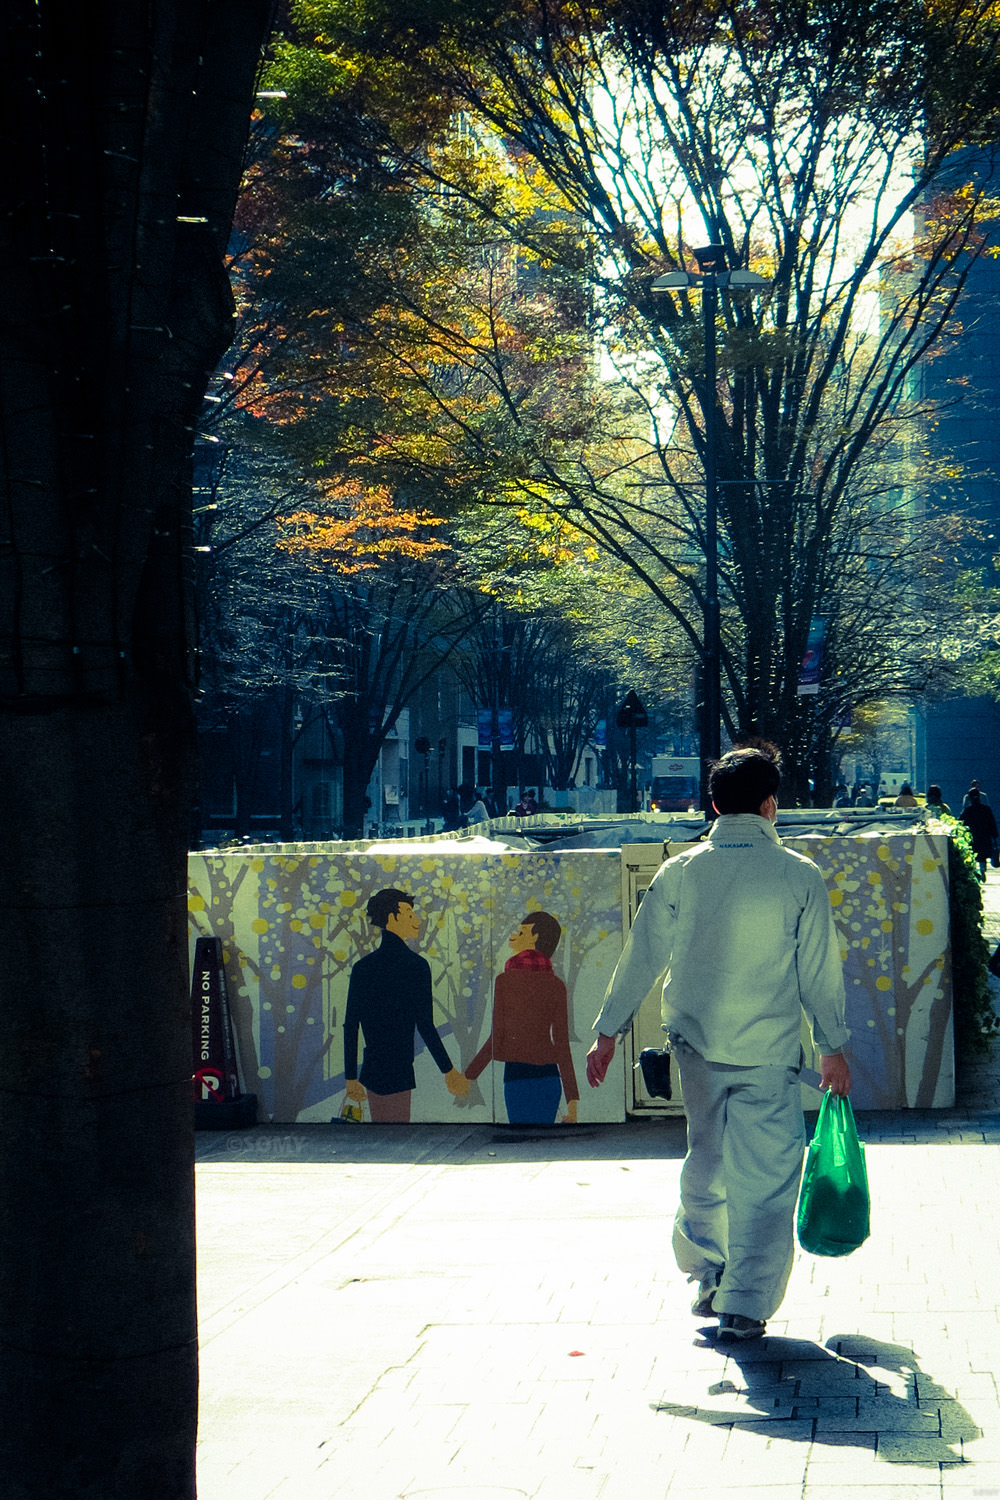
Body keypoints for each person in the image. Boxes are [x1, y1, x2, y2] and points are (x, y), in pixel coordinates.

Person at [586, 744, 850, 1344]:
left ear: (712, 804)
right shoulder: (799, 875)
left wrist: (607, 1032)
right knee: (767, 1179)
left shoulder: (681, 871)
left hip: (696, 1049)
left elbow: (641, 956)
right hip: (768, 1053)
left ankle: (708, 1277)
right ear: (770, 806)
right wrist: (832, 1046)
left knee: (706, 1160)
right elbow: (819, 973)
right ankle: (745, 1305)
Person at [344, 888, 469, 1121]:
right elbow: (425, 1025)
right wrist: (448, 1070)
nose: (417, 920)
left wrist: (351, 1077)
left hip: (373, 1068)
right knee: (398, 1127)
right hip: (400, 1068)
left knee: (380, 1126)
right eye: (410, 914)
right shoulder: (416, 966)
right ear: (392, 919)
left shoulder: (362, 968)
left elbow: (351, 1025)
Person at [464, 911, 579, 1125]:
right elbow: (562, 1045)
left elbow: (497, 1036)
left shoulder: (504, 981)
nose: (513, 936)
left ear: (535, 937)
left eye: (521, 932)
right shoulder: (556, 986)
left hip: (516, 1077)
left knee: (521, 1137)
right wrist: (572, 1101)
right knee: (544, 1138)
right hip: (549, 1077)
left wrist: (469, 1076)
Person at [960, 789, 999, 881]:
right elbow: (992, 823)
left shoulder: (968, 811)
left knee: (974, 855)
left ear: (970, 798)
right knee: (983, 856)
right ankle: (982, 868)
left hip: (973, 837)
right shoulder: (986, 809)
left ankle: (976, 871)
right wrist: (994, 835)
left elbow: (961, 823)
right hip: (985, 837)